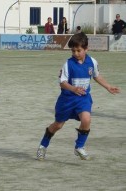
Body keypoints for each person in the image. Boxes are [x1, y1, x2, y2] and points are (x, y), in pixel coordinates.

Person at [36, 32, 120, 161]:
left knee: (86, 119)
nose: (75, 53)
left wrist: (108, 86)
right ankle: (43, 146)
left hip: (83, 98)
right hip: (67, 100)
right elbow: (62, 83)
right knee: (57, 126)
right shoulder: (68, 64)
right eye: (73, 50)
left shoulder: (92, 61)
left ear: (86, 49)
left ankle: (79, 147)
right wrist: (73, 88)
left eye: (78, 50)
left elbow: (96, 76)